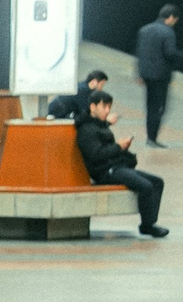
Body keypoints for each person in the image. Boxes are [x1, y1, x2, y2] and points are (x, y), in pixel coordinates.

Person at [72, 89, 169, 238]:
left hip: (116, 166)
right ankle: (147, 225)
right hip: (105, 172)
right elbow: (96, 155)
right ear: (93, 107)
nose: (107, 111)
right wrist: (119, 146)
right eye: (104, 107)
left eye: (109, 107)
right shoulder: (86, 130)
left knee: (157, 182)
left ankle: (149, 223)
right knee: (146, 186)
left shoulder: (98, 124)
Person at [134, 3, 183, 146]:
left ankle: (149, 137)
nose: (174, 23)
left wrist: (139, 74)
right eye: (175, 20)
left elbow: (139, 54)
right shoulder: (168, 32)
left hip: (146, 75)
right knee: (159, 107)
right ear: (171, 17)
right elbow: (170, 53)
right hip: (160, 76)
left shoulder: (144, 30)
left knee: (150, 106)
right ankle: (152, 138)